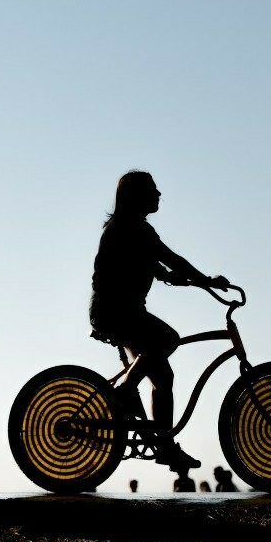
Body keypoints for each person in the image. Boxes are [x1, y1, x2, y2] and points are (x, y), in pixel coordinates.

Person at [89, 171, 228, 472]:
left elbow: (163, 269)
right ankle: (124, 393)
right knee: (167, 339)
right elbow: (170, 258)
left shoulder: (133, 230)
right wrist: (206, 280)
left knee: (163, 377)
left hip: (120, 312)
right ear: (135, 196)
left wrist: (196, 282)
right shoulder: (132, 228)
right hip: (117, 312)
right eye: (152, 190)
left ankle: (164, 447)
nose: (159, 194)